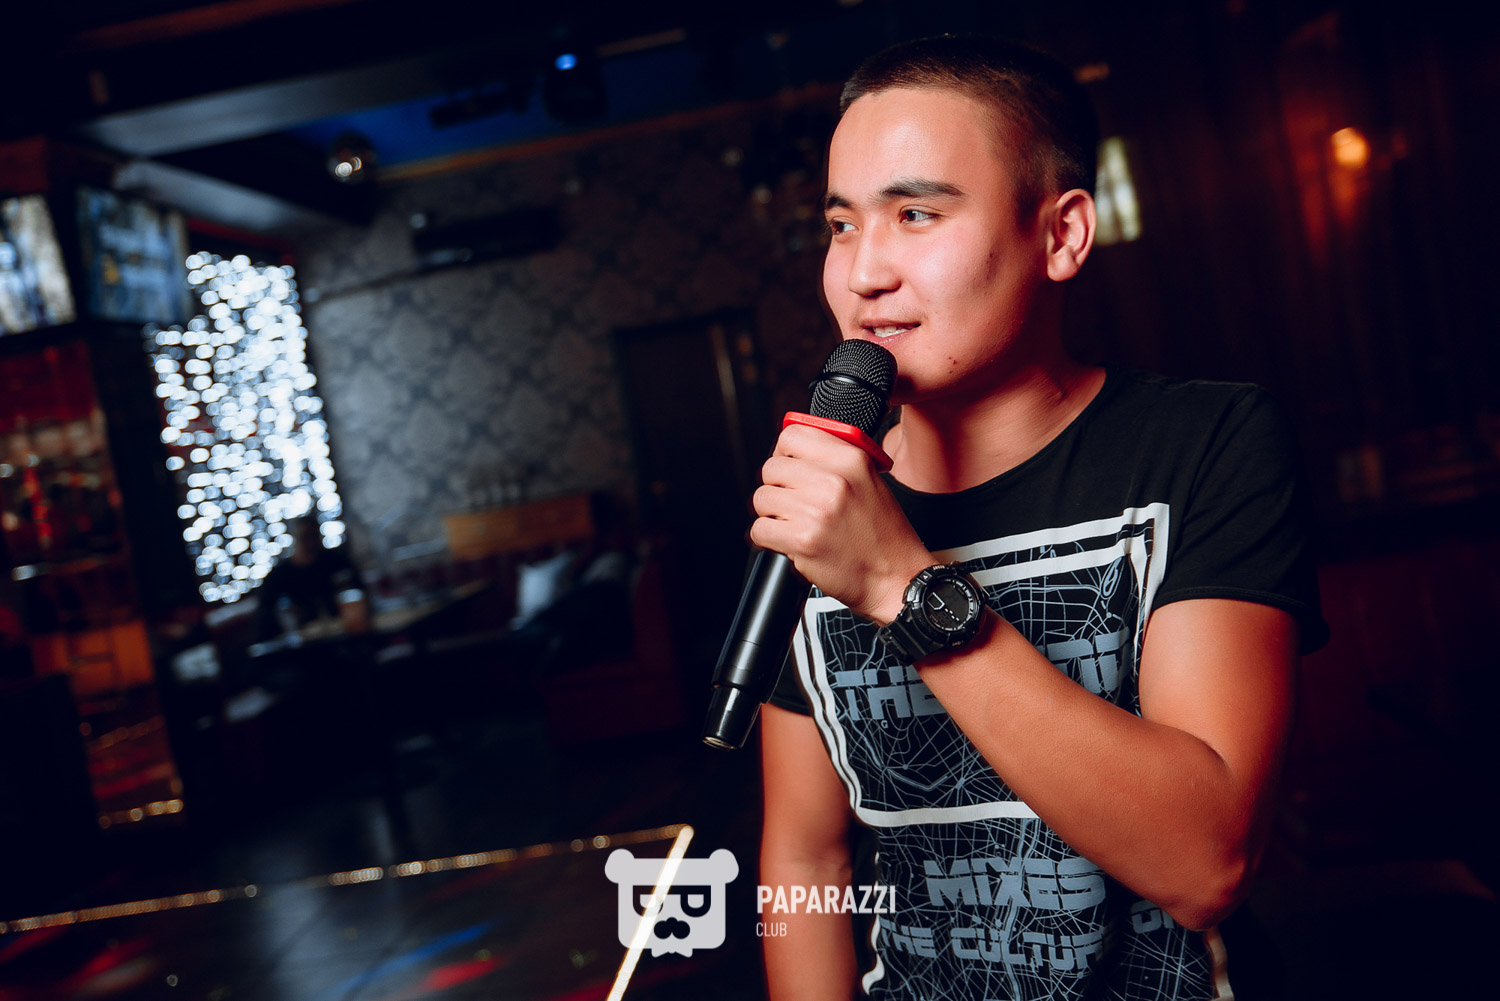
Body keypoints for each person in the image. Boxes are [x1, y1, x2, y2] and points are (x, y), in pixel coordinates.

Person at [754, 36, 1327, 1001]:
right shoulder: (823, 489)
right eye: (843, 225)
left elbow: (1205, 862)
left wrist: (901, 583)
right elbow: (805, 859)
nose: (862, 272)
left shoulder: (1205, 443)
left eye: (916, 214)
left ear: (1061, 235)